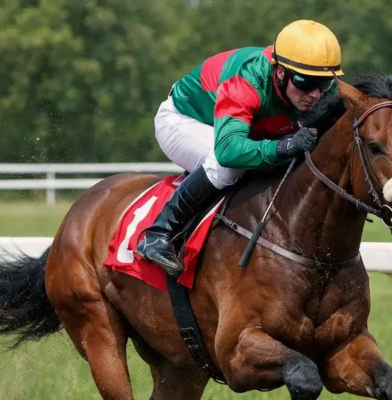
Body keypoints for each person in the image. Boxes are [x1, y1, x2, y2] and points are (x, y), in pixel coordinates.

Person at [136, 19, 344, 276]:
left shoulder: (319, 88)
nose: (314, 94)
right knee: (228, 168)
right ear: (280, 72)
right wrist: (284, 146)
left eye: (322, 84)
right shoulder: (246, 81)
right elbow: (229, 150)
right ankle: (160, 233)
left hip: (245, 129)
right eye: (305, 83)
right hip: (184, 120)